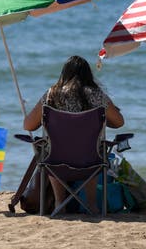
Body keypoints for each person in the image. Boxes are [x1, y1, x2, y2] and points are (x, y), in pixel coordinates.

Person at [24, 55, 125, 214]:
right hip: (90, 161)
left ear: (64, 74)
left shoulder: (52, 94)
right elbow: (119, 122)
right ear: (88, 75)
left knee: (51, 148)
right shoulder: (96, 95)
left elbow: (28, 125)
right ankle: (91, 205)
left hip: (56, 162)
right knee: (93, 148)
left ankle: (60, 203)